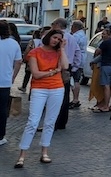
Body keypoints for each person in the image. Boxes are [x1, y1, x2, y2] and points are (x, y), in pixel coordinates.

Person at [15, 29, 68, 168]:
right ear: (48, 37)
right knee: (32, 122)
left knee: (50, 122)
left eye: (59, 39)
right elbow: (36, 74)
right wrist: (53, 72)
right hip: (39, 89)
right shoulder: (35, 52)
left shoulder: (58, 52)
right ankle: (22, 154)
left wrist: (62, 49)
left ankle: (45, 152)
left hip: (57, 89)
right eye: (54, 37)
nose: (56, 40)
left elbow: (65, 66)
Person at [0, 22, 23, 146]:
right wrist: (13, 76)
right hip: (4, 81)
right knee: (2, 109)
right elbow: (18, 61)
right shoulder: (13, 44)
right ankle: (0, 136)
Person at [92, 24, 111, 112]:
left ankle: (105, 106)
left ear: (109, 32)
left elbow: (97, 51)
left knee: (106, 86)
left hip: (106, 65)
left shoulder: (106, 42)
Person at [50, 18, 72, 131]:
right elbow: (78, 53)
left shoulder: (59, 38)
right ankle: (62, 122)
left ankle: (55, 122)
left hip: (59, 68)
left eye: (53, 24)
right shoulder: (72, 37)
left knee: (56, 96)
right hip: (69, 67)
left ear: (57, 25)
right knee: (65, 96)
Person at [68, 20, 88, 109]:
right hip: (81, 59)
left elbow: (72, 48)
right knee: (76, 79)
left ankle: (75, 99)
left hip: (76, 60)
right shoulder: (83, 35)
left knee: (75, 80)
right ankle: (75, 99)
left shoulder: (76, 36)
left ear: (75, 27)